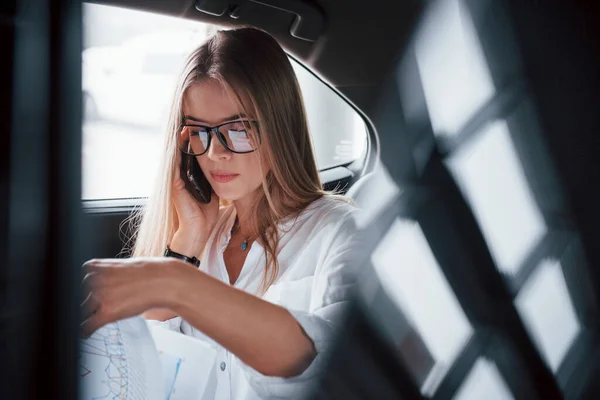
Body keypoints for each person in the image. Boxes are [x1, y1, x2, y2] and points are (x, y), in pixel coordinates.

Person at [81, 26, 360, 399]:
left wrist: (176, 283)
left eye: (239, 128)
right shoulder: (199, 243)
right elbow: (137, 368)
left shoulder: (338, 231)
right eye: (199, 131)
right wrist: (186, 244)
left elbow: (330, 362)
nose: (214, 153)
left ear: (280, 125)